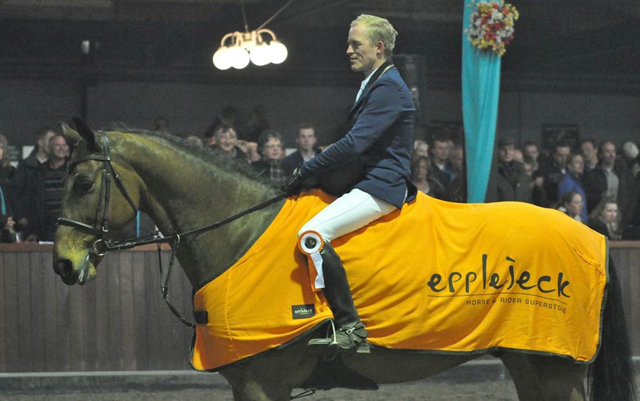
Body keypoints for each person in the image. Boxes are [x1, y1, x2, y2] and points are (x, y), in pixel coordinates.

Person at [284, 14, 416, 355]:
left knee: (312, 235)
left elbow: (355, 143)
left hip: (381, 186)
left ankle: (350, 327)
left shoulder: (387, 86)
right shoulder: (375, 80)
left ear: (378, 47)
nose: (348, 50)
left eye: (355, 44)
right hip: (364, 179)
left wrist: (306, 168)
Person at [20, 134, 69, 242]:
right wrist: (32, 230)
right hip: (46, 229)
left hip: (69, 227)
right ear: (49, 148)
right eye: (57, 145)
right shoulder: (39, 172)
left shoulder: (73, 171)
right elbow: (31, 202)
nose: (61, 148)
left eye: (64, 145)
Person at [583, 141, 638, 227]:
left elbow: (632, 196)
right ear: (601, 154)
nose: (611, 154)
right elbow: (588, 197)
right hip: (599, 220)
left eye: (613, 151)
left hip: (622, 219)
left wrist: (627, 217)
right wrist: (600, 196)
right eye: (607, 151)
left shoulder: (625, 173)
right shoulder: (592, 175)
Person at [493, 136, 531, 203]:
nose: (507, 152)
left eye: (510, 149)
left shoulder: (521, 170)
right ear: (497, 151)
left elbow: (527, 194)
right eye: (503, 149)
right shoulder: (493, 171)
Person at [558, 153, 587, 222]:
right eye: (577, 162)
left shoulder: (577, 181)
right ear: (569, 165)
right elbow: (565, 204)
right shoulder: (567, 182)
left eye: (582, 162)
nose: (581, 165)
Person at [539, 141, 571, 205]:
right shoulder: (546, 170)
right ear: (554, 155)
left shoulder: (575, 169)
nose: (564, 159)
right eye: (560, 156)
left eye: (567, 155)